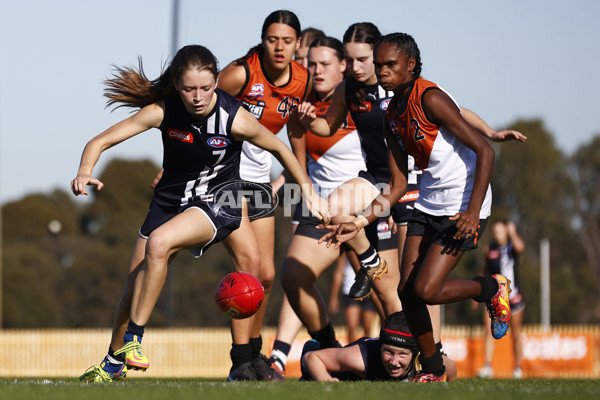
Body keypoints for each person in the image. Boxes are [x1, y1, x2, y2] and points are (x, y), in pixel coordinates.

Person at [73, 44, 328, 383]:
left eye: (206, 88)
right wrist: (84, 170)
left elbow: (280, 147)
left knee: (162, 244)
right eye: (190, 89)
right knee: (132, 289)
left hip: (218, 199)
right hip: (168, 203)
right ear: (177, 86)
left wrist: (309, 193)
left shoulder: (234, 116)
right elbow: (99, 141)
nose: (198, 96)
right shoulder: (162, 111)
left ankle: (141, 341)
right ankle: (113, 362)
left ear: (215, 83)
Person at [315, 32, 525, 382]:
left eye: (390, 65)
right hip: (427, 202)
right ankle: (433, 371)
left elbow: (485, 151)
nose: (382, 71)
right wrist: (360, 220)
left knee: (426, 290)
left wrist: (472, 213)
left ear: (410, 66)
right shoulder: (391, 115)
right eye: (379, 65)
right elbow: (397, 187)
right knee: (406, 291)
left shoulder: (430, 98)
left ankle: (491, 288)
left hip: (462, 203)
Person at [210, 9, 312, 381]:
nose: (279, 47)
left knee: (267, 275)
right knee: (249, 268)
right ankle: (240, 363)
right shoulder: (241, 73)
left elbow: (298, 129)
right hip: (226, 179)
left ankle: (255, 357)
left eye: (287, 40)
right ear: (263, 40)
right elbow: (195, 113)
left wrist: (299, 178)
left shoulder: (302, 79)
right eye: (272, 39)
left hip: (261, 181)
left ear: (298, 44)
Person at [299, 311, 457, 381]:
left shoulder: (424, 359)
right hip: (332, 365)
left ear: (415, 353)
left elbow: (452, 373)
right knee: (311, 356)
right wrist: (326, 379)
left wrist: (439, 369)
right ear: (380, 345)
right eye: (388, 352)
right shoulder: (360, 358)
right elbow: (312, 358)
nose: (394, 362)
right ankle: (316, 344)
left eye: (402, 354)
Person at [477, 220, 526, 379]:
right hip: (495, 298)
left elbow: (521, 247)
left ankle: (518, 368)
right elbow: (485, 271)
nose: (497, 234)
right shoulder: (490, 249)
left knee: (516, 333)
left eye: (500, 231)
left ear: (506, 231)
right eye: (495, 231)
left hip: (514, 297)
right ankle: (487, 366)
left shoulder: (513, 247)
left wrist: (513, 233)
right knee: (488, 332)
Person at [329, 254, 379, 343]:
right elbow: (339, 272)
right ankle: (350, 351)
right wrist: (333, 297)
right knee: (352, 327)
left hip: (369, 291)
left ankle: (367, 353)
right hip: (350, 291)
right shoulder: (346, 251)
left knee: (367, 328)